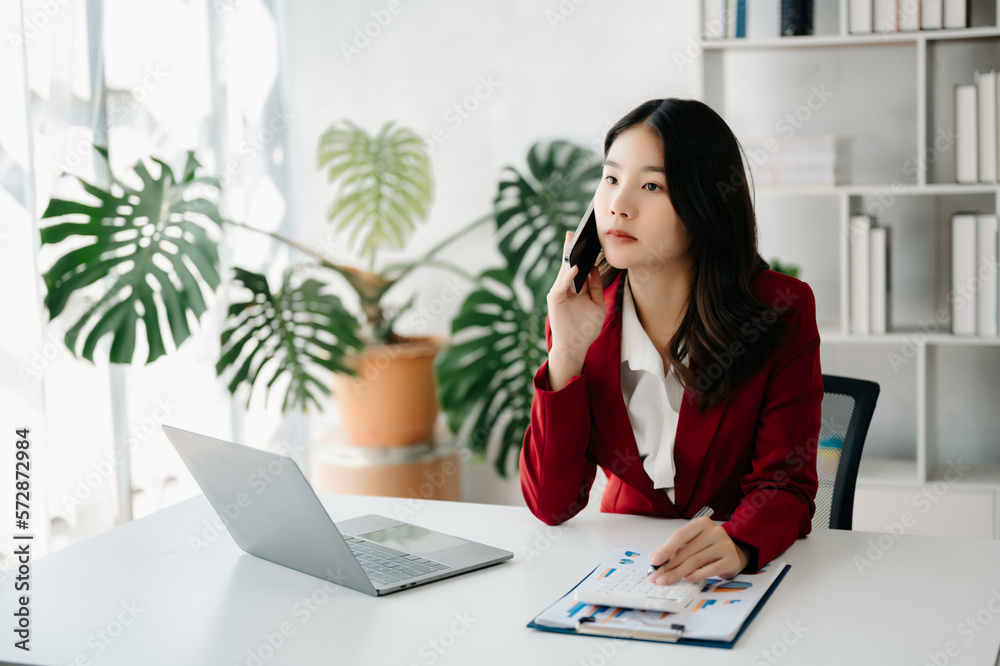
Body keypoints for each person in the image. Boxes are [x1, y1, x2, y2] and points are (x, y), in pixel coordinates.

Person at [519, 98, 822, 585]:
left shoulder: (780, 310)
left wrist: (740, 541)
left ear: (706, 204)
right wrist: (567, 354)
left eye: (652, 185)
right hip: (620, 565)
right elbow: (552, 506)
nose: (619, 205)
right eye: (611, 178)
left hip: (731, 574)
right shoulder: (580, 312)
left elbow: (785, 485)